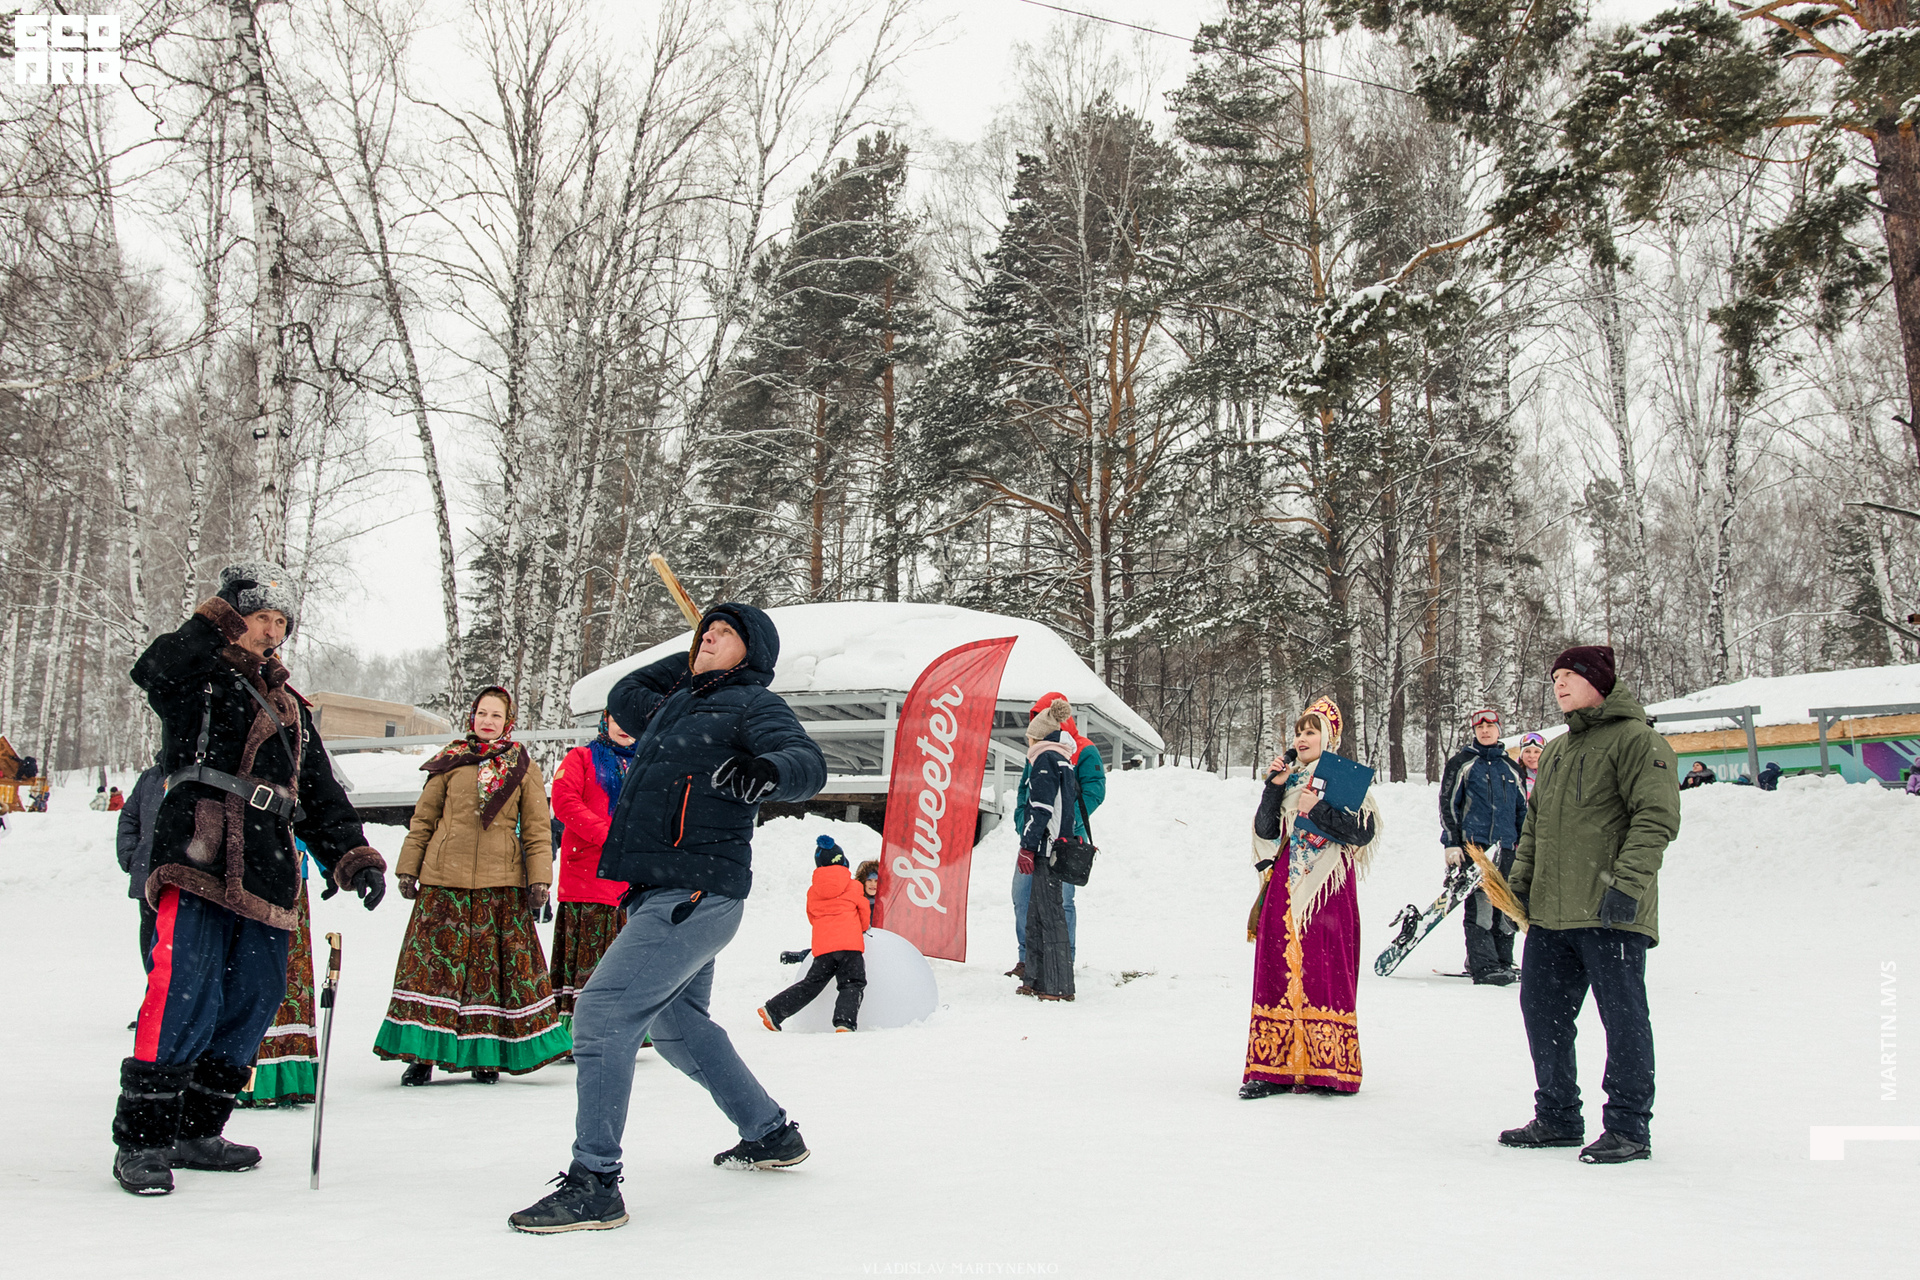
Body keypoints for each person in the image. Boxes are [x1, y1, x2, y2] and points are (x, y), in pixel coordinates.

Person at [507, 602, 827, 1235]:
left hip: (695, 891)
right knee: (678, 1027)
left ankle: (595, 1183)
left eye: (726, 633)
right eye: (707, 629)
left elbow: (806, 761)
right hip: (667, 891)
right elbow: (626, 696)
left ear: (755, 653)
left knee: (602, 1013)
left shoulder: (751, 704)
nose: (710, 637)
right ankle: (769, 1132)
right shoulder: (675, 703)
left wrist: (767, 769)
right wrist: (694, 655)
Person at [114, 561, 387, 1197]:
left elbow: (318, 791)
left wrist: (354, 855)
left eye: (280, 622)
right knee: (182, 993)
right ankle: (144, 1141)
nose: (272, 631)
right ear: (232, 619)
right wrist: (212, 618)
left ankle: (196, 1129)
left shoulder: (290, 706)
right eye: (260, 617)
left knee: (256, 995)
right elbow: (153, 669)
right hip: (200, 850)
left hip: (267, 864)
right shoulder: (196, 676)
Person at [1500, 645, 1678, 1165]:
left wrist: (1627, 885)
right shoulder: (1555, 751)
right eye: (1554, 677)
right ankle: (1558, 1116)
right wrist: (1520, 887)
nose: (1558, 684)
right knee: (1542, 1013)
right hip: (1551, 915)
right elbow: (1534, 828)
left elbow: (1656, 817)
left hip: (1610, 911)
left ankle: (1628, 1126)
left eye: (1569, 676)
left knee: (1623, 1019)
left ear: (1599, 682)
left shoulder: (1639, 741)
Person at [375, 686, 569, 1084]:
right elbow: (423, 820)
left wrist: (539, 879)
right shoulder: (449, 761)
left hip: (500, 885)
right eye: (482, 713)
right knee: (434, 973)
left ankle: (486, 1055)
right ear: (472, 717)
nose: (487, 721)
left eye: (496, 715)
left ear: (508, 721)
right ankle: (423, 1056)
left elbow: (537, 829)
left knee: (490, 975)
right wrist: (408, 868)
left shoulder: (523, 766)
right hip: (443, 881)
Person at [1241, 697, 1381, 1099]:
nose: (1302, 739)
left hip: (1327, 888)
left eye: (1311, 731)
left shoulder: (1346, 780)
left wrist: (1317, 809)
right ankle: (1272, 1068)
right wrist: (1274, 788)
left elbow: (1362, 833)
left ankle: (1328, 1066)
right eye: (1299, 732)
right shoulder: (1289, 780)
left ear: (1328, 738)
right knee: (1277, 965)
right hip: (1286, 884)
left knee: (1324, 967)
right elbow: (1266, 830)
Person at [549, 711, 639, 1028]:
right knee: (589, 961)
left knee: (625, 958)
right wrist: (608, 835)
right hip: (588, 876)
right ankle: (583, 1027)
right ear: (605, 721)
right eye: (617, 719)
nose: (624, 727)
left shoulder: (645, 762)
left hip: (631, 880)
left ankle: (622, 1027)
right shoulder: (582, 758)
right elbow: (564, 801)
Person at [1007, 691, 1105, 983]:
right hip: (1034, 839)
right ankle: (1028, 959)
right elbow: (1026, 791)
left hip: (1065, 842)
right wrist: (1022, 822)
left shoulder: (1085, 749)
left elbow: (1094, 792)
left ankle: (1064, 960)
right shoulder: (1038, 748)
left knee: (1062, 901)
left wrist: (1065, 822)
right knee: (1022, 897)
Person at [1438, 708, 1529, 986]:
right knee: (1482, 907)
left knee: (1507, 907)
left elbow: (1523, 810)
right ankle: (1484, 965)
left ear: (1499, 730)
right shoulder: (1462, 763)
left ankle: (1503, 961)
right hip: (1476, 848)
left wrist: (1525, 846)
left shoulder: (1512, 767)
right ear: (1475, 732)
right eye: (1480, 728)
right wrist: (1452, 843)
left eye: (1490, 727)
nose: (1485, 731)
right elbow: (1448, 805)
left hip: (1508, 847)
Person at [759, 837, 870, 1032]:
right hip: (849, 947)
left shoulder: (813, 891)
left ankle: (774, 1010)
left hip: (824, 948)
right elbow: (864, 913)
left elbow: (812, 916)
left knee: (811, 984)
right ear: (843, 861)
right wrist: (859, 929)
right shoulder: (853, 886)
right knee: (852, 983)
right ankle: (844, 1022)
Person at [238, 841, 318, 1107]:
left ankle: (282, 1078)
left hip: (288, 876)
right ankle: (236, 1074)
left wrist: (333, 862)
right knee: (245, 974)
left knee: (286, 974)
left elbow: (315, 822)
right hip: (239, 877)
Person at [1017, 697, 1082, 1001]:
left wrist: (1027, 846)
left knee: (1049, 914)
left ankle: (1056, 985)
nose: (1027, 742)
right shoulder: (1063, 760)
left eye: (1029, 737)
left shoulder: (1045, 760)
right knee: (1038, 913)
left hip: (1046, 848)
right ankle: (1035, 978)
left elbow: (1041, 808)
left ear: (1038, 737)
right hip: (1058, 845)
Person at [115, 761, 166, 971]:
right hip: (146, 878)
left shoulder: (206, 770)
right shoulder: (151, 776)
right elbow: (129, 816)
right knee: (152, 960)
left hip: (189, 884)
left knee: (183, 964)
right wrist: (131, 856)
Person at [854, 859, 882, 930]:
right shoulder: (855, 903)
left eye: (876, 881)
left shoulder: (885, 905)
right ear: (863, 882)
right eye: (869, 880)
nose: (873, 884)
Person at [1517, 732, 1545, 799]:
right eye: (1527, 751)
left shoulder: (1552, 775)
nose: (1532, 756)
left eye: (1536, 752)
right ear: (1522, 755)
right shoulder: (1514, 776)